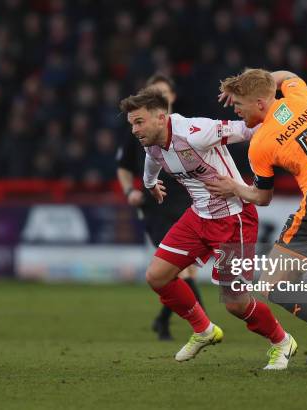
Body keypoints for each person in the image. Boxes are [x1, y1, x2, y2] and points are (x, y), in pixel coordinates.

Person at [119, 88, 297, 370]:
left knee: (235, 303)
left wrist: (289, 119)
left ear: (160, 117)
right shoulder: (150, 142)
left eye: (138, 122)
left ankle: (282, 341)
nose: (134, 129)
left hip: (233, 219)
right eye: (131, 124)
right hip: (197, 217)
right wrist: (151, 184)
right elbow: (151, 162)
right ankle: (203, 330)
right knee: (157, 276)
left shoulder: (196, 131)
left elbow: (251, 127)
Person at [207, 69, 307, 371]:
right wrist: (256, 80)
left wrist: (233, 187)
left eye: (239, 104)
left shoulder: (260, 144)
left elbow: (262, 197)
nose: (236, 111)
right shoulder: (299, 96)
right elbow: (285, 75)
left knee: (270, 284)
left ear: (259, 103)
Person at [116, 74, 204, 340]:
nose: (159, 97)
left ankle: (165, 321)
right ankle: (202, 324)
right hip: (156, 207)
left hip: (187, 203)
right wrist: (131, 190)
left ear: (172, 97)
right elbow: (123, 167)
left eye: (163, 93)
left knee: (183, 272)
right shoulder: (138, 131)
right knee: (179, 270)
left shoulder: (185, 129)